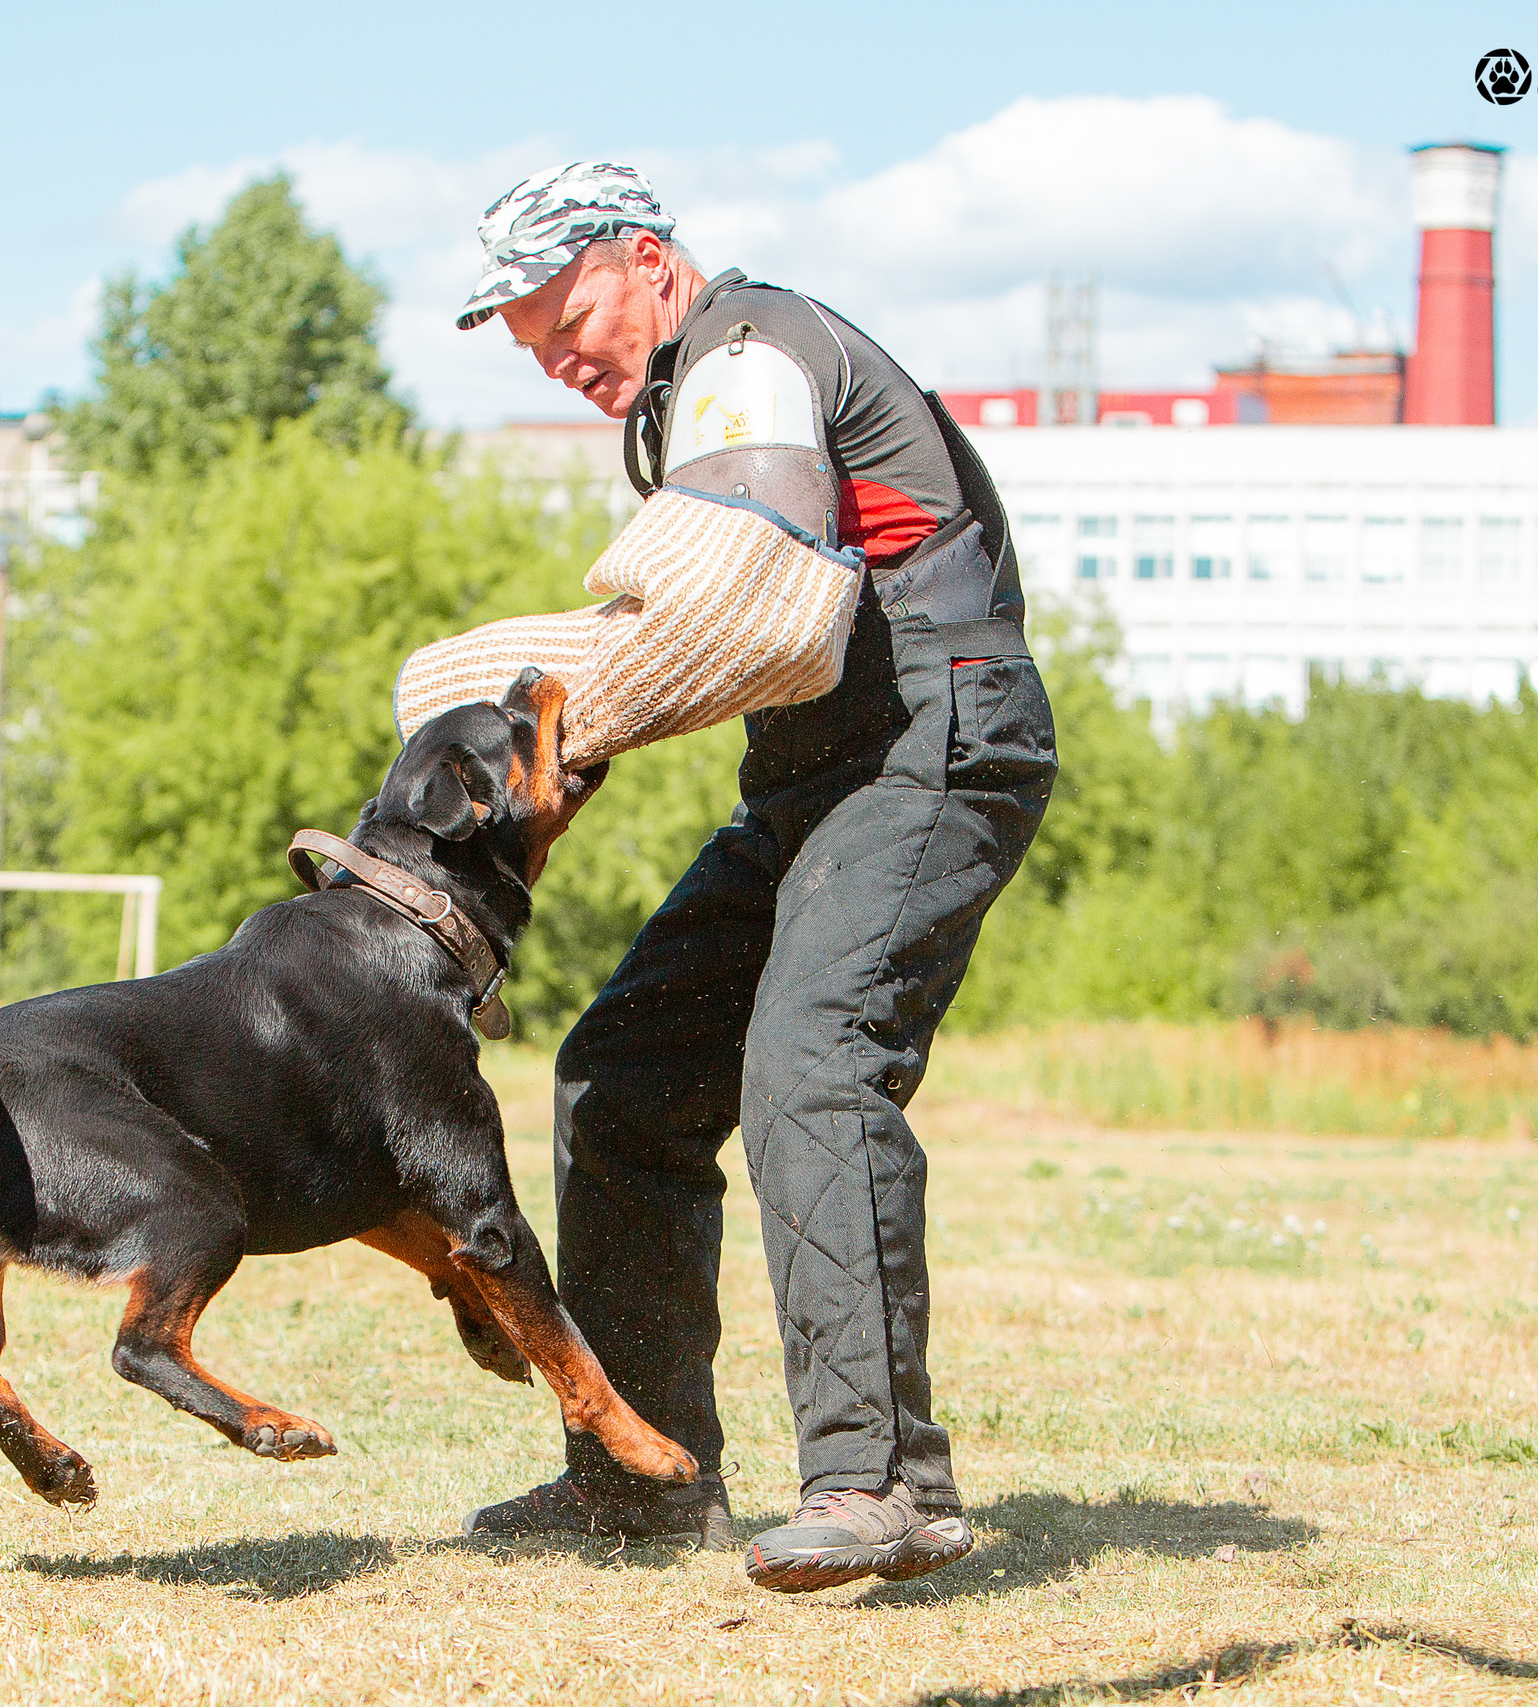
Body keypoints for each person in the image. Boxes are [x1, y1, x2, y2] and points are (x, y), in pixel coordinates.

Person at [391, 163, 1058, 1593]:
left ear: (646, 259)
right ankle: (642, 1476)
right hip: (822, 769)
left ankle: (880, 1487)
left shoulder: (746, 357)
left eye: (567, 314)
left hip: (937, 733)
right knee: (621, 1073)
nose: (560, 355)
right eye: (530, 343)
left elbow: (734, 605)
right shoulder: (690, 393)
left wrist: (551, 706)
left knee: (812, 1059)